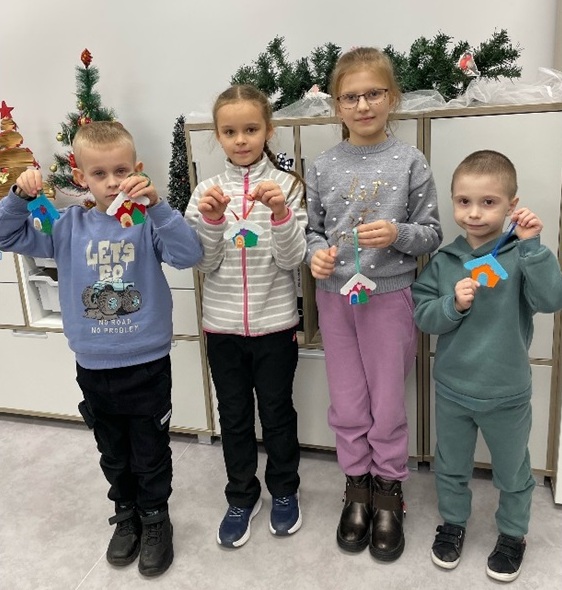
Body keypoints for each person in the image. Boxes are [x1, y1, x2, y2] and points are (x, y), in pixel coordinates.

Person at [0, 121, 203, 577]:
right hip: (93, 364)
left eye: (121, 170)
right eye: (99, 173)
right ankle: (127, 513)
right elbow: (5, 235)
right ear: (80, 176)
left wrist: (159, 207)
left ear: (137, 170)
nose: (112, 182)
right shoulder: (66, 226)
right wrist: (17, 197)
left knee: (150, 449)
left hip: (147, 362)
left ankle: (156, 518)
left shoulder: (147, 221)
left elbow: (189, 255)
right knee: (112, 449)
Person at [305, 46, 442, 562]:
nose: (362, 105)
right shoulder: (323, 165)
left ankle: (388, 488)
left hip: (390, 299)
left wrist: (398, 233)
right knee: (347, 400)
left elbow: (431, 233)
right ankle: (356, 485)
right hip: (336, 299)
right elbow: (312, 231)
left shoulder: (410, 160)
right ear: (336, 105)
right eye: (350, 97)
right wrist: (316, 255)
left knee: (387, 400)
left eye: (373, 94)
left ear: (392, 97)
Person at [412, 150, 562, 582]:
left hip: (507, 393)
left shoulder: (523, 255)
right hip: (452, 390)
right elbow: (422, 316)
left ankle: (513, 533)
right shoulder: (444, 260)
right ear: (453, 202)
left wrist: (533, 246)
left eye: (488, 202)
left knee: (513, 471)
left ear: (512, 205)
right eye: (464, 201)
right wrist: (452, 305)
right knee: (451, 465)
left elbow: (551, 300)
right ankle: (453, 523)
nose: (474, 213)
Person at [184, 84, 307, 548]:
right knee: (233, 416)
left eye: (251, 129)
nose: (241, 140)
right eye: (230, 131)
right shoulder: (205, 191)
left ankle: (285, 491)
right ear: (217, 136)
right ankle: (241, 495)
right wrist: (213, 222)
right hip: (223, 330)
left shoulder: (288, 187)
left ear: (268, 130)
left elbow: (292, 259)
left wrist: (279, 213)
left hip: (275, 326)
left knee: (277, 413)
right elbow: (204, 263)